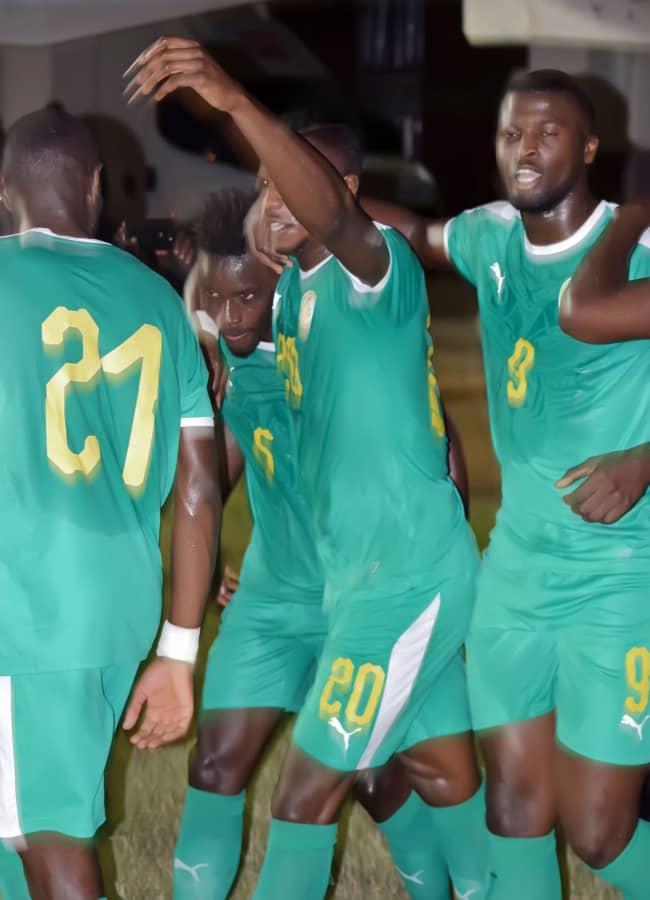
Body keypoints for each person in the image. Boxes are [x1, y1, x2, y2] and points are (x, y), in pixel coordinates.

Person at [125, 38, 490, 900]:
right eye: (265, 185)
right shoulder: (289, 301)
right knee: (446, 787)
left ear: (342, 196)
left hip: (406, 586)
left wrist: (232, 98)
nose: (275, 198)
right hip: (344, 586)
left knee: (310, 792)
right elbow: (247, 428)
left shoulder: (375, 272)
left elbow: (442, 439)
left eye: (294, 181)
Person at [369, 69, 650, 898]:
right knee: (516, 808)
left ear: (590, 147)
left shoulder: (632, 248)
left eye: (547, 133)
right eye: (510, 134)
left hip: (621, 576)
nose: (525, 149)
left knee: (599, 833)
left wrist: (644, 460)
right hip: (517, 572)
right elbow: (407, 234)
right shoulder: (490, 235)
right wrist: (308, 196)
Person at [173, 187, 475, 900]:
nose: (228, 316)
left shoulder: (340, 339)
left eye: (244, 296)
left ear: (285, 276)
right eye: (212, 300)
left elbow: (440, 449)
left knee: (399, 775)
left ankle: (468, 885)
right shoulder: (229, 362)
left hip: (373, 593)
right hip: (275, 597)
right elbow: (212, 479)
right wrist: (197, 401)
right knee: (215, 762)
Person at [0, 108, 219, 900]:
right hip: (113, 613)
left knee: (51, 842)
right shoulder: (160, 301)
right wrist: (180, 650)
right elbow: (200, 486)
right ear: (96, 186)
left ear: (4, 191)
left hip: (27, 617)